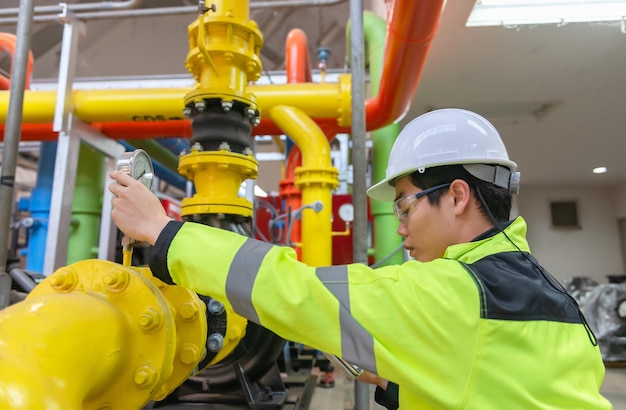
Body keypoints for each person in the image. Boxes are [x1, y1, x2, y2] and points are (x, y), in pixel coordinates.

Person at [109, 108, 611, 409]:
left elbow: (296, 288)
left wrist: (164, 231)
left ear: (457, 196)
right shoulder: (556, 297)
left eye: (406, 203)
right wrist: (406, 378)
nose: (401, 223)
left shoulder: (456, 294)